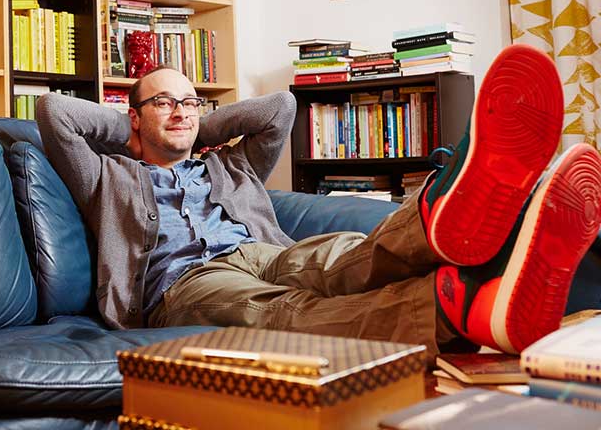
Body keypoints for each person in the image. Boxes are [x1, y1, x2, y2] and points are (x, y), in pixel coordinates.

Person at [35, 45, 601, 357]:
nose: (182, 109)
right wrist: (141, 134)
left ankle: (455, 232)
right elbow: (54, 113)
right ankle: (464, 307)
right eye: (164, 102)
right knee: (282, 312)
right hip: (184, 285)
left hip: (259, 252)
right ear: (133, 117)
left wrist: (193, 128)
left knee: (338, 258)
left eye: (190, 100)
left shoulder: (226, 162)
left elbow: (280, 106)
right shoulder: (106, 175)